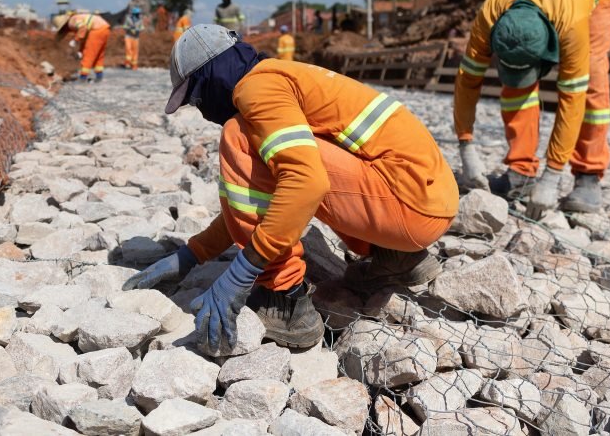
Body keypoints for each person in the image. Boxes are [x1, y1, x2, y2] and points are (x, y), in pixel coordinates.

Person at [124, 24, 458, 354]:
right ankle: (398, 257)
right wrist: (194, 252)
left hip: (409, 207)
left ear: (210, 77)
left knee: (239, 135)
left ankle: (285, 301)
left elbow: (305, 183)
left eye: (195, 99)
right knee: (281, 156)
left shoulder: (256, 90)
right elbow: (263, 197)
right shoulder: (278, 76)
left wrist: (242, 273)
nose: (200, 110)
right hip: (429, 198)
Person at [454, 0, 610, 218]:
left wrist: (552, 175)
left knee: (592, 81)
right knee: (517, 87)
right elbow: (467, 81)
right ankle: (521, 171)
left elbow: (571, 99)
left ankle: (588, 174)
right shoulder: (487, 21)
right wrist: (465, 145)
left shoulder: (570, 25)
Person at [56, 10, 110, 82]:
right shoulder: (78, 17)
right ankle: (99, 77)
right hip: (104, 29)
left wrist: (76, 40)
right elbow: (86, 37)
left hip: (97, 30)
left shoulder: (72, 21)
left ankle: (82, 78)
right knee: (98, 56)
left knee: (88, 55)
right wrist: (80, 50)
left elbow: (83, 28)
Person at [124, 6, 143, 70]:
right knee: (128, 49)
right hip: (128, 36)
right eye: (137, 13)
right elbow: (124, 26)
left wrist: (138, 29)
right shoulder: (128, 19)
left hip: (136, 37)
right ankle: (127, 63)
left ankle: (134, 65)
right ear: (133, 14)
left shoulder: (140, 20)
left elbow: (142, 27)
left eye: (138, 13)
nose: (138, 15)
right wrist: (129, 28)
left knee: (135, 51)